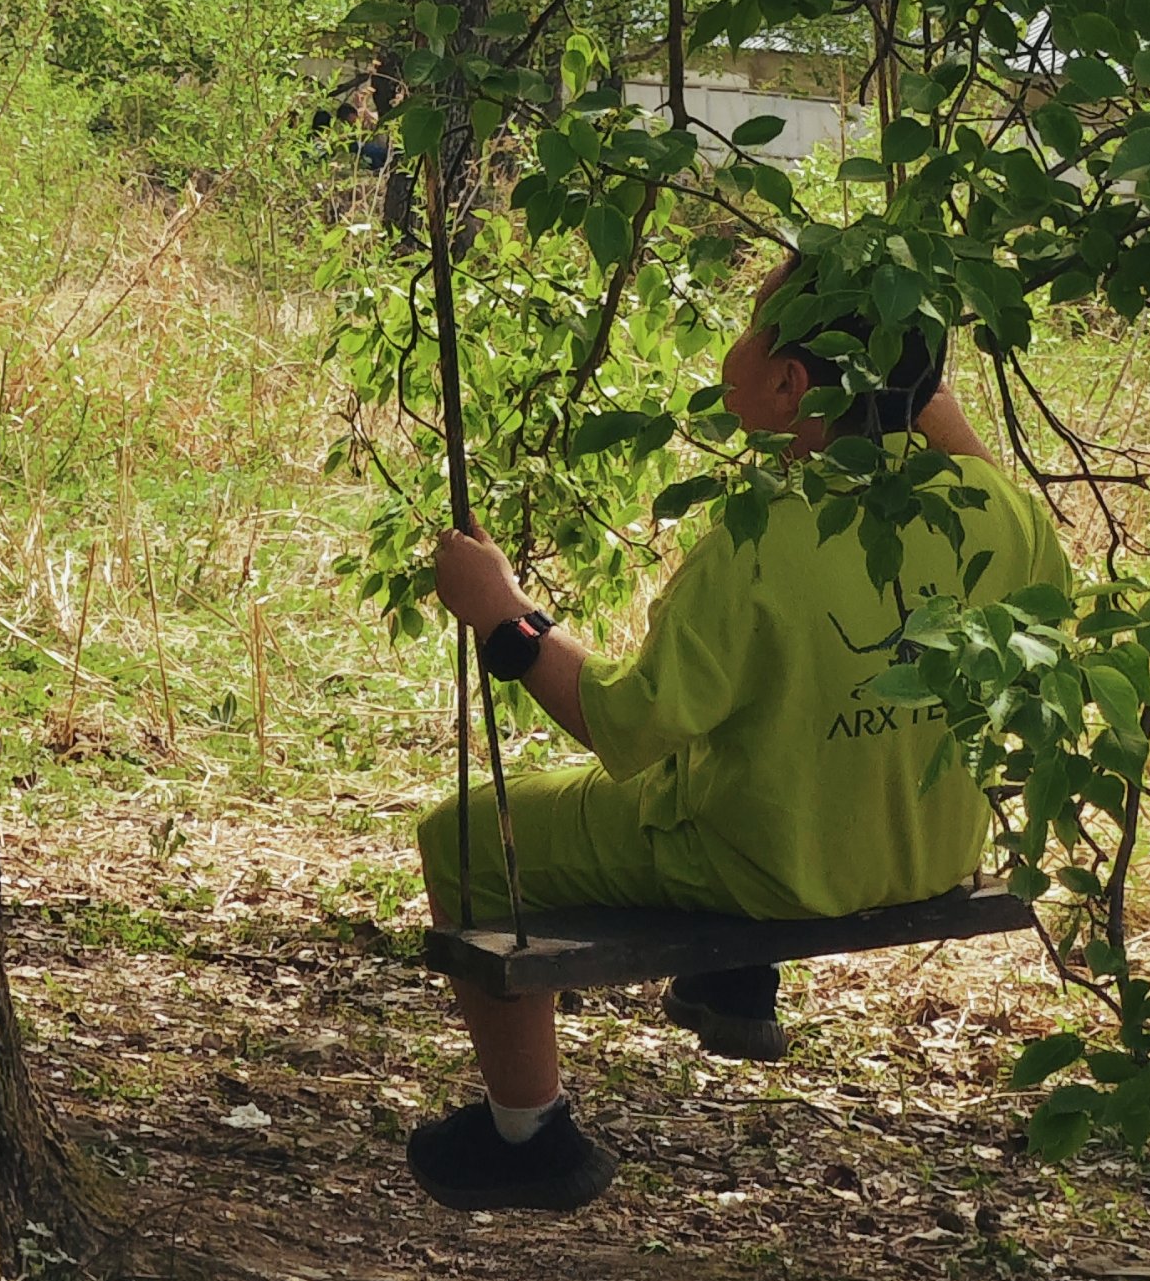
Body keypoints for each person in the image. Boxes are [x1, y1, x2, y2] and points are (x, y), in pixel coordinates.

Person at [404, 250, 1069, 1213]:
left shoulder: (762, 542)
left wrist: (504, 618)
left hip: (772, 866)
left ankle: (528, 1136)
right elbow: (953, 448)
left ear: (789, 382)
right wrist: (907, 376)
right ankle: (734, 986)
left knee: (461, 837)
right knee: (762, 736)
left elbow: (623, 724)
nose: (734, 342)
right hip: (930, 848)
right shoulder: (1002, 513)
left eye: (750, 327)